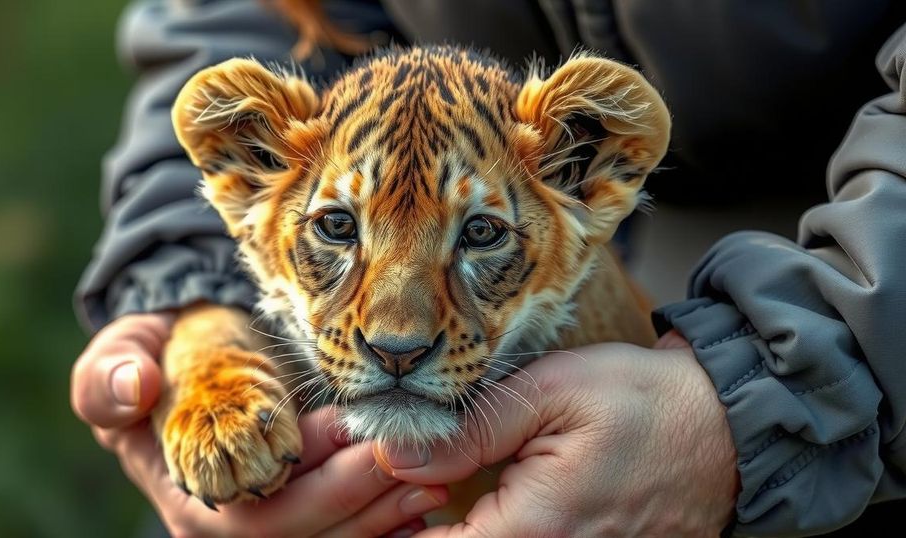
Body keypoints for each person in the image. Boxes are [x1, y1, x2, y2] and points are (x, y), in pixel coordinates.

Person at [71, 1, 906, 535]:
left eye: (482, 236)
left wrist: (755, 400)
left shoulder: (564, 176)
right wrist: (189, 309)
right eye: (335, 228)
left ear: (589, 174)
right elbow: (246, 17)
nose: (398, 329)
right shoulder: (272, 187)